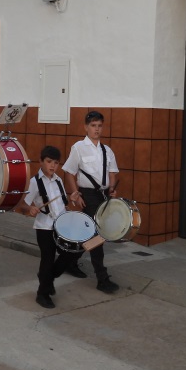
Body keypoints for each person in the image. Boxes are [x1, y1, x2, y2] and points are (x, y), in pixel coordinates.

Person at [62, 110, 121, 293]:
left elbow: (113, 173)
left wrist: (112, 189)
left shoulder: (107, 150)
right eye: (93, 126)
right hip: (87, 195)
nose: (96, 129)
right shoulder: (78, 147)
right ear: (86, 127)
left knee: (87, 233)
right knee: (97, 235)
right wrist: (75, 193)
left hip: (103, 195)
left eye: (99, 126)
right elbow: (69, 172)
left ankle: (68, 262)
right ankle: (102, 279)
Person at [16, 145, 78, 309]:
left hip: (61, 226)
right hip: (44, 227)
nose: (52, 166)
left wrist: (70, 198)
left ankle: (47, 277)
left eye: (56, 163)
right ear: (41, 161)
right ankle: (42, 294)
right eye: (49, 162)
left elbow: (61, 202)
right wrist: (31, 209)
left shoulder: (58, 180)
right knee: (47, 259)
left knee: (70, 254)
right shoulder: (35, 182)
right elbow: (22, 204)